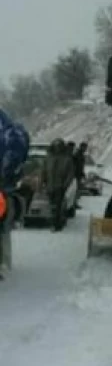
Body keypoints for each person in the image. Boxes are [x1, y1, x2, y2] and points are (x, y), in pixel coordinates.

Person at [0, 108, 31, 277]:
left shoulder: (10, 133)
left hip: (4, 190)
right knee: (3, 230)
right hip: (6, 188)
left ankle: (4, 264)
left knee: (2, 229)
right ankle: (4, 263)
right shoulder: (14, 131)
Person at [40, 138, 73, 232]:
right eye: (56, 146)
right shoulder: (48, 158)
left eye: (59, 146)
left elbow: (70, 174)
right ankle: (53, 222)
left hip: (60, 186)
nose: (57, 148)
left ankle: (56, 224)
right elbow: (43, 171)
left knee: (58, 205)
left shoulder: (67, 159)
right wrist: (42, 183)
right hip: (50, 186)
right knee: (51, 206)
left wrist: (65, 185)